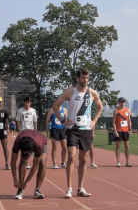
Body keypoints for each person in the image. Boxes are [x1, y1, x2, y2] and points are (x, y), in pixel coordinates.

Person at [52, 68, 103, 198]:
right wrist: (63, 121)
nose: (85, 80)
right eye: (83, 78)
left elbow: (100, 107)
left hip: (86, 130)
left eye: (87, 78)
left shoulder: (92, 93)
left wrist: (94, 121)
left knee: (83, 159)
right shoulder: (70, 91)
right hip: (73, 130)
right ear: (77, 78)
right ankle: (69, 188)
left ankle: (80, 188)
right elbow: (55, 106)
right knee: (71, 157)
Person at [11, 129, 47, 200]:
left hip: (41, 139)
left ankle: (37, 190)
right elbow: (13, 161)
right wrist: (15, 179)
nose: (24, 153)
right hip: (26, 136)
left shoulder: (38, 146)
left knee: (42, 162)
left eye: (26, 151)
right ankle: (21, 189)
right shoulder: (17, 142)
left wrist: (27, 182)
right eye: (23, 151)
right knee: (23, 160)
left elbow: (35, 166)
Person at [16, 97, 37, 169]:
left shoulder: (33, 111)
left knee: (33, 147)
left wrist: (35, 131)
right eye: (26, 102)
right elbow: (18, 121)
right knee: (24, 148)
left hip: (31, 130)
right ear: (24, 102)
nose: (27, 104)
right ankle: (26, 163)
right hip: (23, 131)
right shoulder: (20, 111)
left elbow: (35, 121)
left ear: (30, 103)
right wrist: (19, 130)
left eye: (28, 102)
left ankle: (36, 163)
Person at [46, 105, 68, 169]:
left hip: (62, 130)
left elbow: (66, 120)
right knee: (54, 147)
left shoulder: (64, 110)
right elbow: (47, 120)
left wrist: (66, 131)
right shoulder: (51, 110)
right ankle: (54, 163)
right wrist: (48, 131)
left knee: (64, 147)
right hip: (54, 129)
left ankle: (63, 163)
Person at [112, 97, 132, 167]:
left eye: (124, 102)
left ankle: (127, 161)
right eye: (121, 102)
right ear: (119, 102)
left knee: (127, 146)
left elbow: (129, 121)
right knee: (118, 145)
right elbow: (113, 122)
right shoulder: (116, 111)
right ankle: (118, 161)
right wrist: (115, 131)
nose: (123, 103)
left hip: (126, 130)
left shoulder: (128, 110)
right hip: (119, 130)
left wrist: (130, 129)